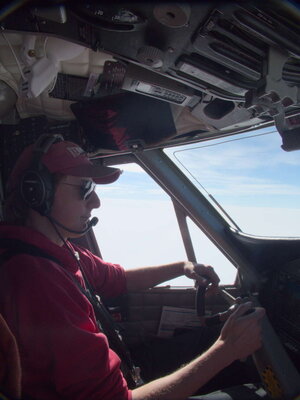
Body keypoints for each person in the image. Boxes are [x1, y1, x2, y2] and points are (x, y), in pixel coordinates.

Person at [0, 134, 265, 400]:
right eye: (84, 189)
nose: (96, 202)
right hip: (117, 391)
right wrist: (227, 350)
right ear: (36, 192)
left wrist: (182, 266)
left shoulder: (56, 249)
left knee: (209, 339)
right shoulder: (36, 280)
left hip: (123, 367)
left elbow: (117, 279)